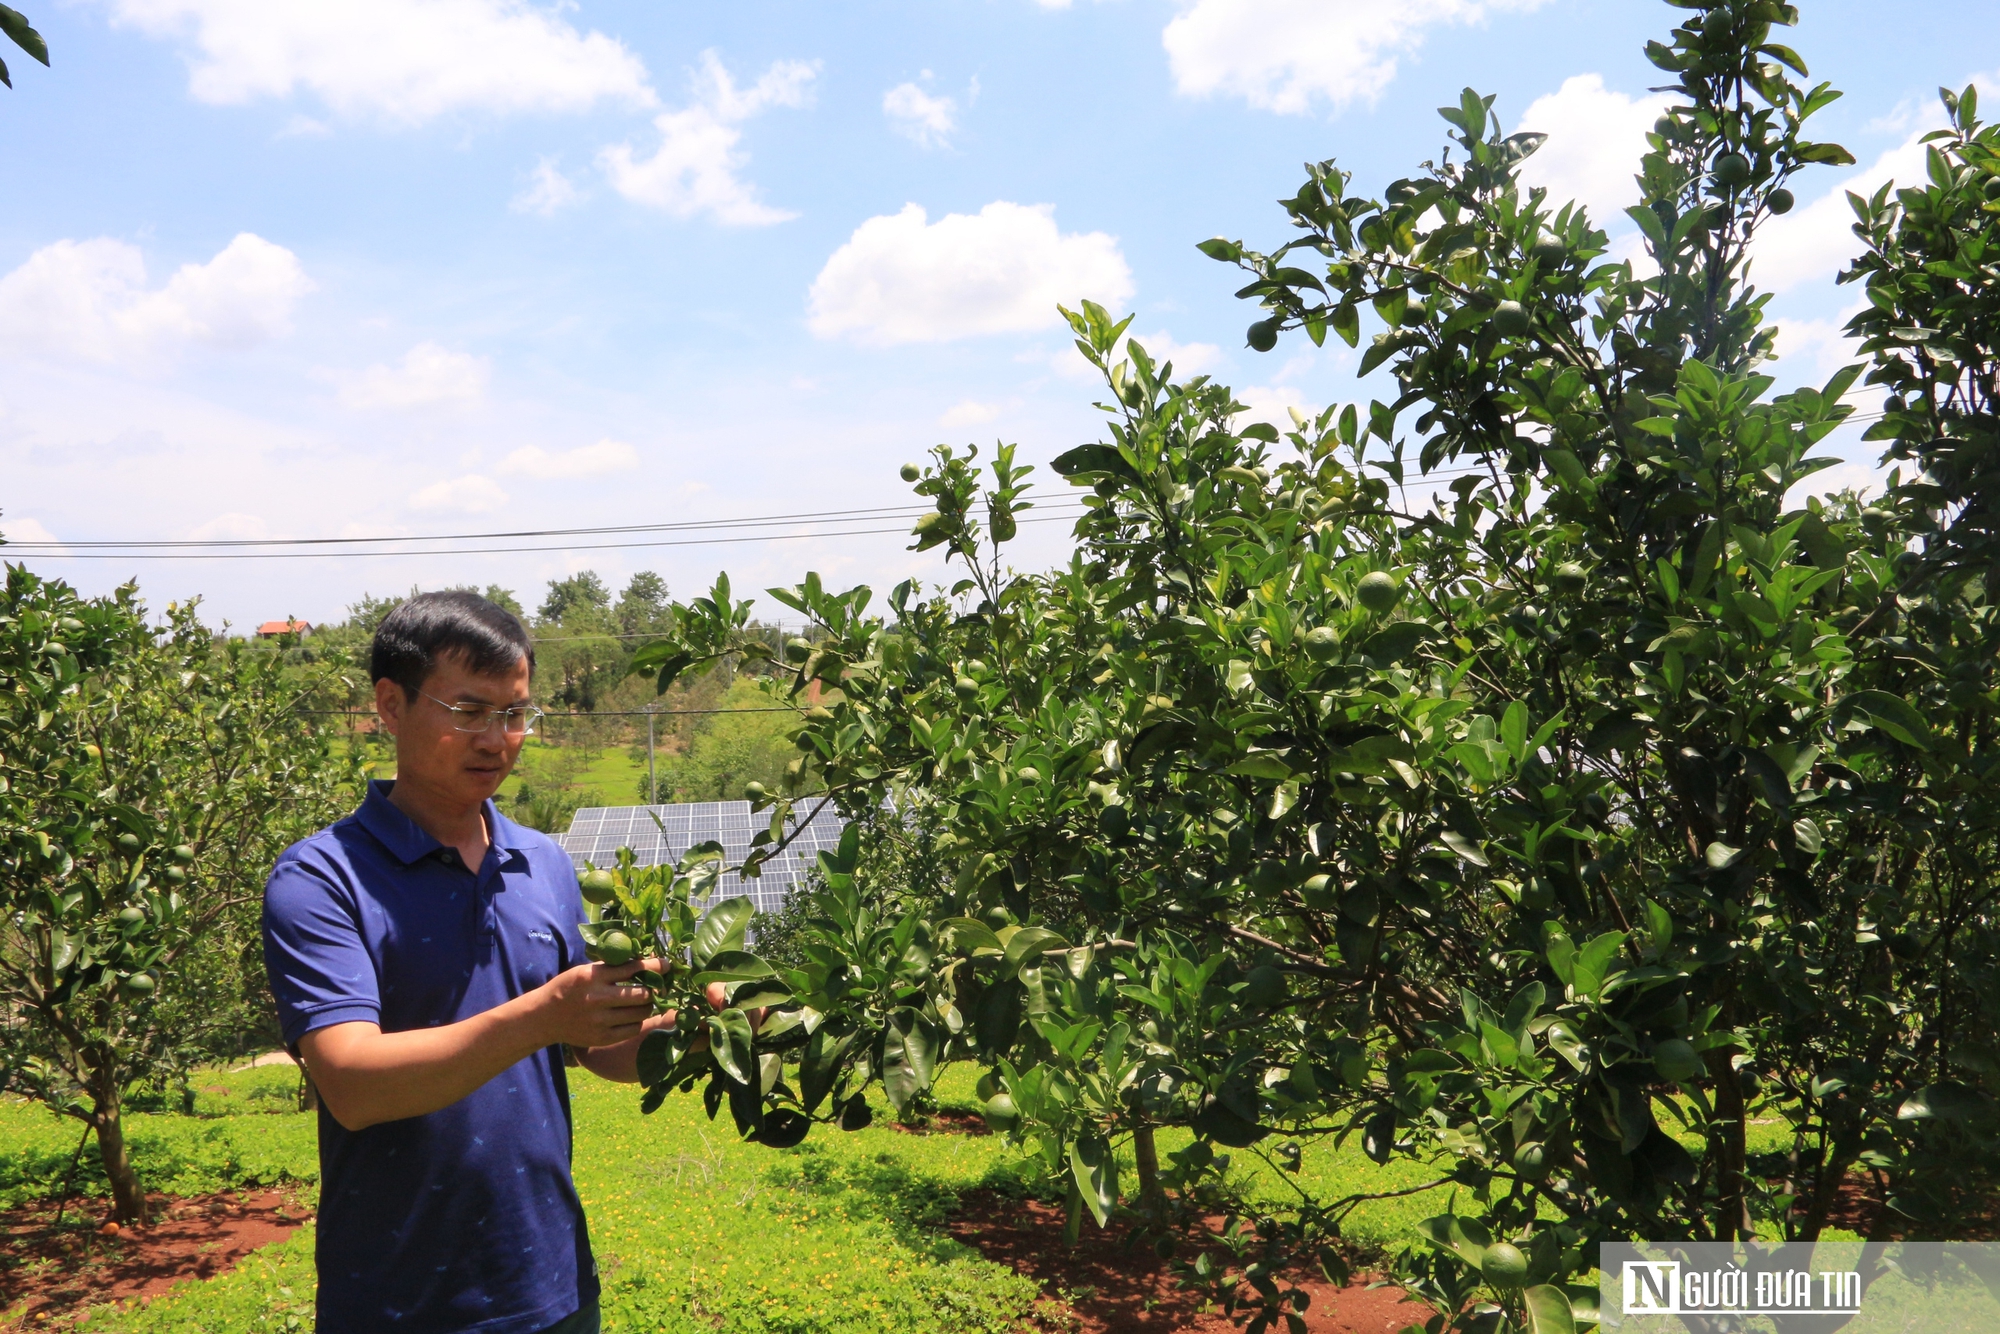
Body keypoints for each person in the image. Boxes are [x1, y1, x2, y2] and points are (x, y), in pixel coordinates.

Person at [262, 591, 684, 1334]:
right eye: (469, 711)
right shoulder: (324, 880)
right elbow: (352, 1083)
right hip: (398, 1302)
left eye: (515, 714)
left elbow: (594, 1051)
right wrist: (544, 1014)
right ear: (390, 705)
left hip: (551, 1284)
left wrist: (699, 1030)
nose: (498, 739)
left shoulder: (543, 863)